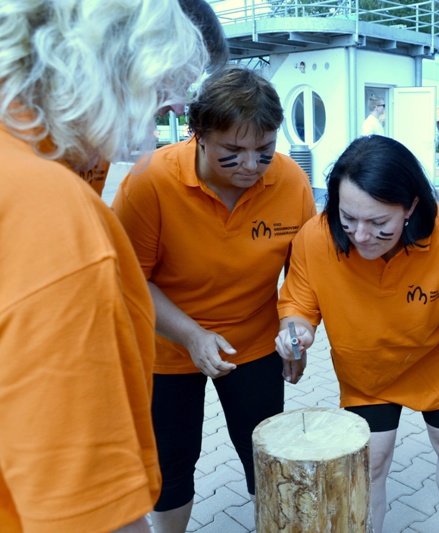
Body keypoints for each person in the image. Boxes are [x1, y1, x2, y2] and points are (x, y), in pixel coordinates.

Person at [0, 1, 206, 532]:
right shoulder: (48, 208)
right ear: (109, 63)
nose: (172, 108)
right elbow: (84, 513)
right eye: (160, 91)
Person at [112, 65, 316, 533]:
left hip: (254, 344)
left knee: (267, 458)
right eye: (232, 153)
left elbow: (304, 271)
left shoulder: (290, 181)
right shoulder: (150, 181)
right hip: (166, 348)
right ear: (199, 135)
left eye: (264, 151)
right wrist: (191, 335)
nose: (250, 166)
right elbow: (129, 280)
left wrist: (295, 326)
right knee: (171, 464)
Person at [275, 135, 439, 533]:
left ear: (411, 207)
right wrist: (294, 335)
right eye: (348, 218)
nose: (361, 235)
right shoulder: (315, 238)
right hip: (366, 372)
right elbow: (297, 307)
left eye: (378, 223)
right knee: (371, 463)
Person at [74, 0, 229, 198]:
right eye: (171, 80)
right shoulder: (37, 138)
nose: (179, 108)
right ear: (124, 53)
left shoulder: (94, 138)